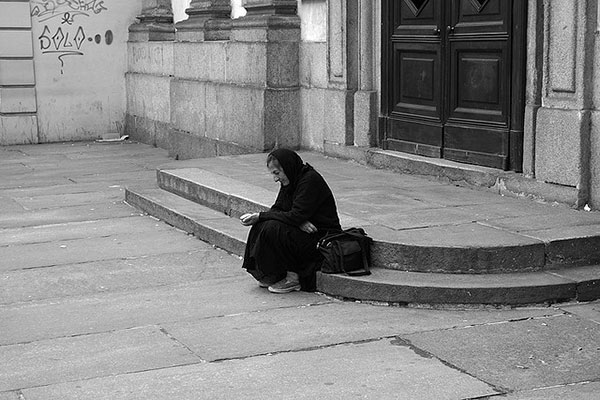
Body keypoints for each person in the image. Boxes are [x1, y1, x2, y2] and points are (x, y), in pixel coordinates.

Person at [240, 148, 342, 293]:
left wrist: (294, 219)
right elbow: (278, 210)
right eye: (273, 174)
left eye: (277, 173)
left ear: (287, 167)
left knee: (274, 228)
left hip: (321, 238)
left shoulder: (309, 180)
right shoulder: (291, 180)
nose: (276, 179)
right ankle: (272, 273)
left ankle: (292, 278)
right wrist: (298, 221)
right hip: (303, 230)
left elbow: (295, 215)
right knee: (262, 225)